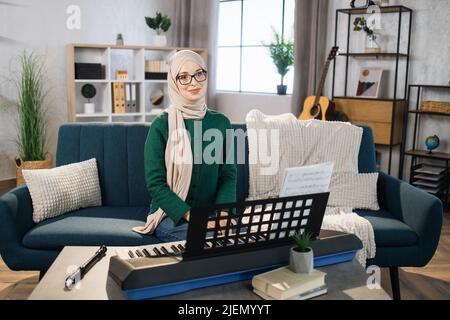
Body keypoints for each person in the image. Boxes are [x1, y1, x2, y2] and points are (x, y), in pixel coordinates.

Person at [133, 50, 237, 242]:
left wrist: (223, 213)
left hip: (212, 215)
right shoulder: (161, 125)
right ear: (174, 82)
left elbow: (228, 175)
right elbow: (156, 184)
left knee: (246, 235)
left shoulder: (222, 122)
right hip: (172, 216)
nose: (194, 82)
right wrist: (191, 215)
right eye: (183, 77)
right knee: (209, 239)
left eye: (199, 73)